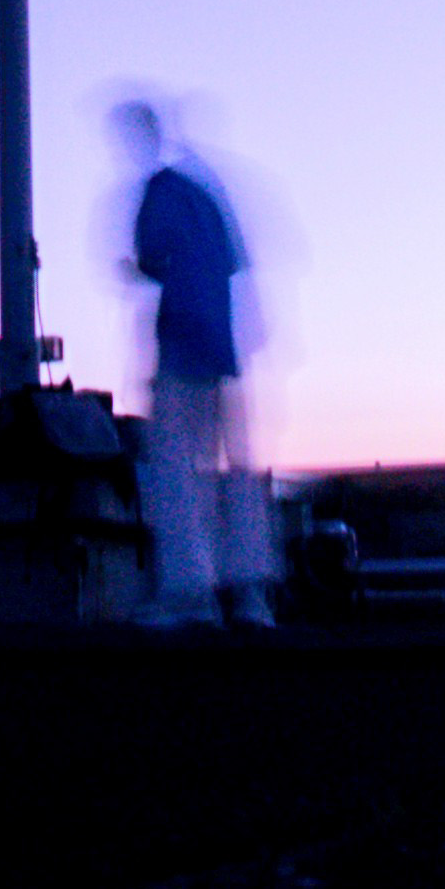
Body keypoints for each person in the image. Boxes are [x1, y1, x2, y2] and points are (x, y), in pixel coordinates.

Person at [113, 95, 276, 627]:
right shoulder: (206, 194)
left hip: (183, 340)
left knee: (178, 471)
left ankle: (191, 594)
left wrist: (136, 271)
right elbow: (233, 264)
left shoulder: (160, 194)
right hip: (223, 344)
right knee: (237, 471)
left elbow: (156, 260)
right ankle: (252, 597)